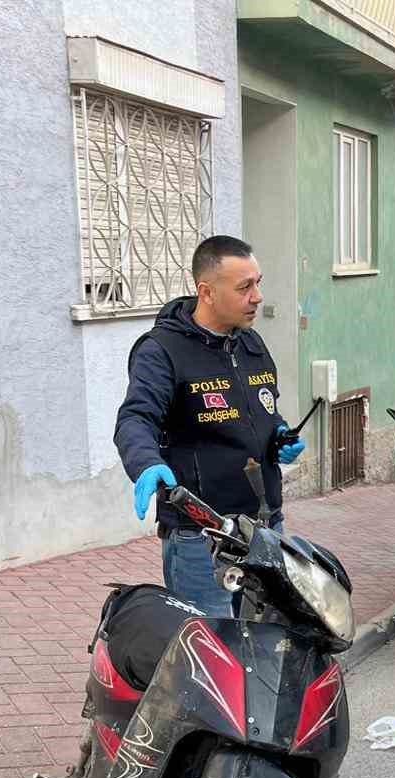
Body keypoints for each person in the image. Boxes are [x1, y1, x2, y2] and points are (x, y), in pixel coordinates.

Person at [113, 235, 305, 613]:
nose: (257, 296)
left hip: (265, 529)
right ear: (207, 292)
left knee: (271, 648)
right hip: (202, 539)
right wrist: (146, 463)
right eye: (244, 287)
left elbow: (263, 412)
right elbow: (136, 417)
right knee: (215, 658)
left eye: (258, 283)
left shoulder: (251, 345)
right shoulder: (162, 351)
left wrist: (278, 435)